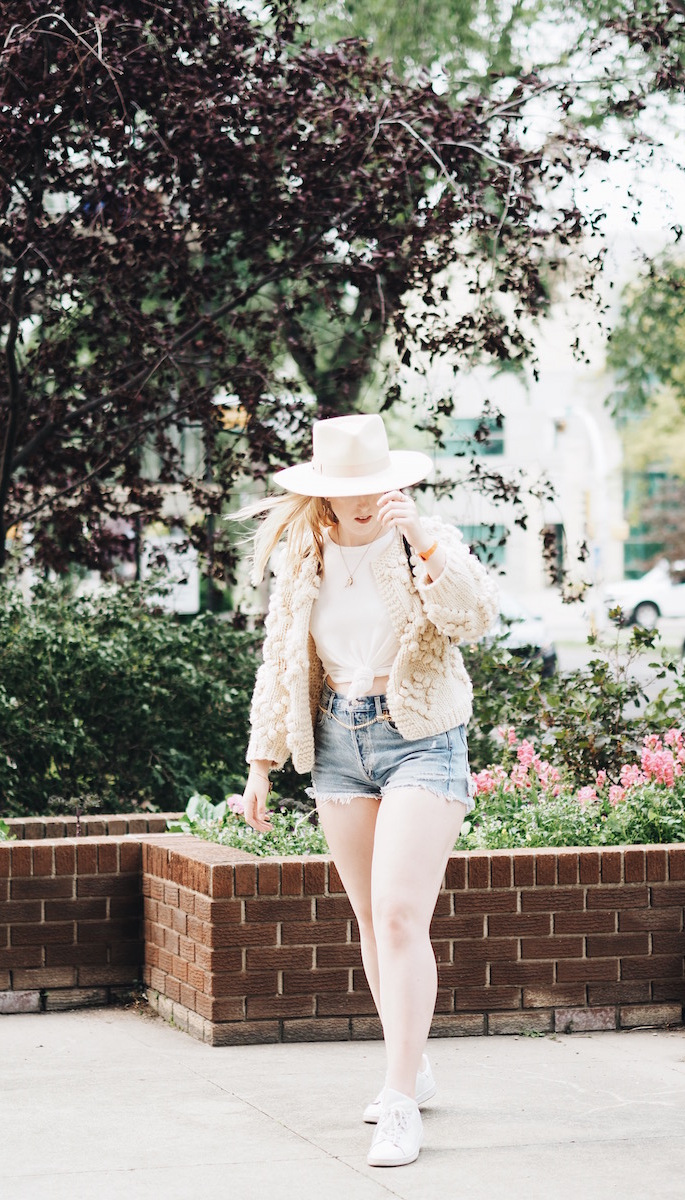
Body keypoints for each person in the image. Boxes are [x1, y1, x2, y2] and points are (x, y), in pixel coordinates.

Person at [240, 412, 498, 1168]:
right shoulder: (304, 554)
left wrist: (422, 541)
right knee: (366, 913)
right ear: (324, 492)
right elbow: (281, 658)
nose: (364, 499)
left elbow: (474, 616)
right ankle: (410, 1062)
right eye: (349, 488)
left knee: (397, 914)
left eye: (376, 485)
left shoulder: (423, 538)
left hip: (420, 736)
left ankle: (398, 1102)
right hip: (337, 743)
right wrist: (261, 761)